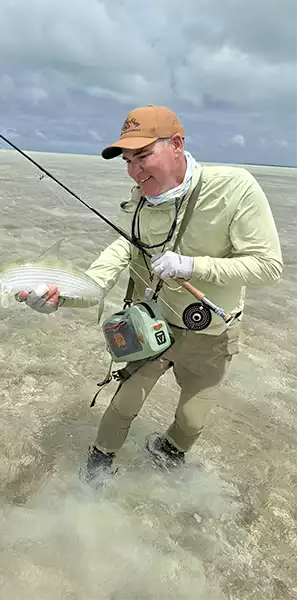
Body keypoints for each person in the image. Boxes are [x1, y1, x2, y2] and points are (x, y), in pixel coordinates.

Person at [16, 105, 283, 481]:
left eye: (143, 155)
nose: (135, 169)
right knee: (122, 407)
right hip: (150, 327)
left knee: (191, 424)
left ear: (176, 144)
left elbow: (268, 266)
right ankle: (96, 470)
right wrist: (59, 296)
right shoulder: (137, 205)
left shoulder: (234, 187)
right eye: (128, 160)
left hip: (211, 335)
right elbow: (99, 279)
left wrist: (192, 266)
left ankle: (166, 453)